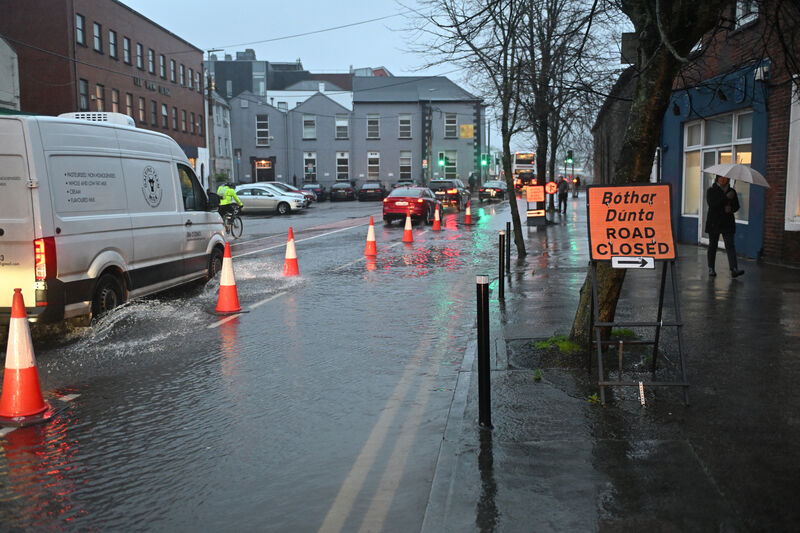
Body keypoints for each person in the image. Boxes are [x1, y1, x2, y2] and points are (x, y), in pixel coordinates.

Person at [705, 176, 744, 278]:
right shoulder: (711, 191)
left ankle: (734, 269)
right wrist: (726, 198)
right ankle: (711, 268)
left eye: (725, 178)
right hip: (714, 222)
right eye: (721, 178)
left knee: (730, 245)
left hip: (727, 223)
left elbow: (737, 206)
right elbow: (712, 204)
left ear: (728, 180)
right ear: (717, 179)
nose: (723, 180)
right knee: (713, 245)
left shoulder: (732, 191)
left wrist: (731, 209)